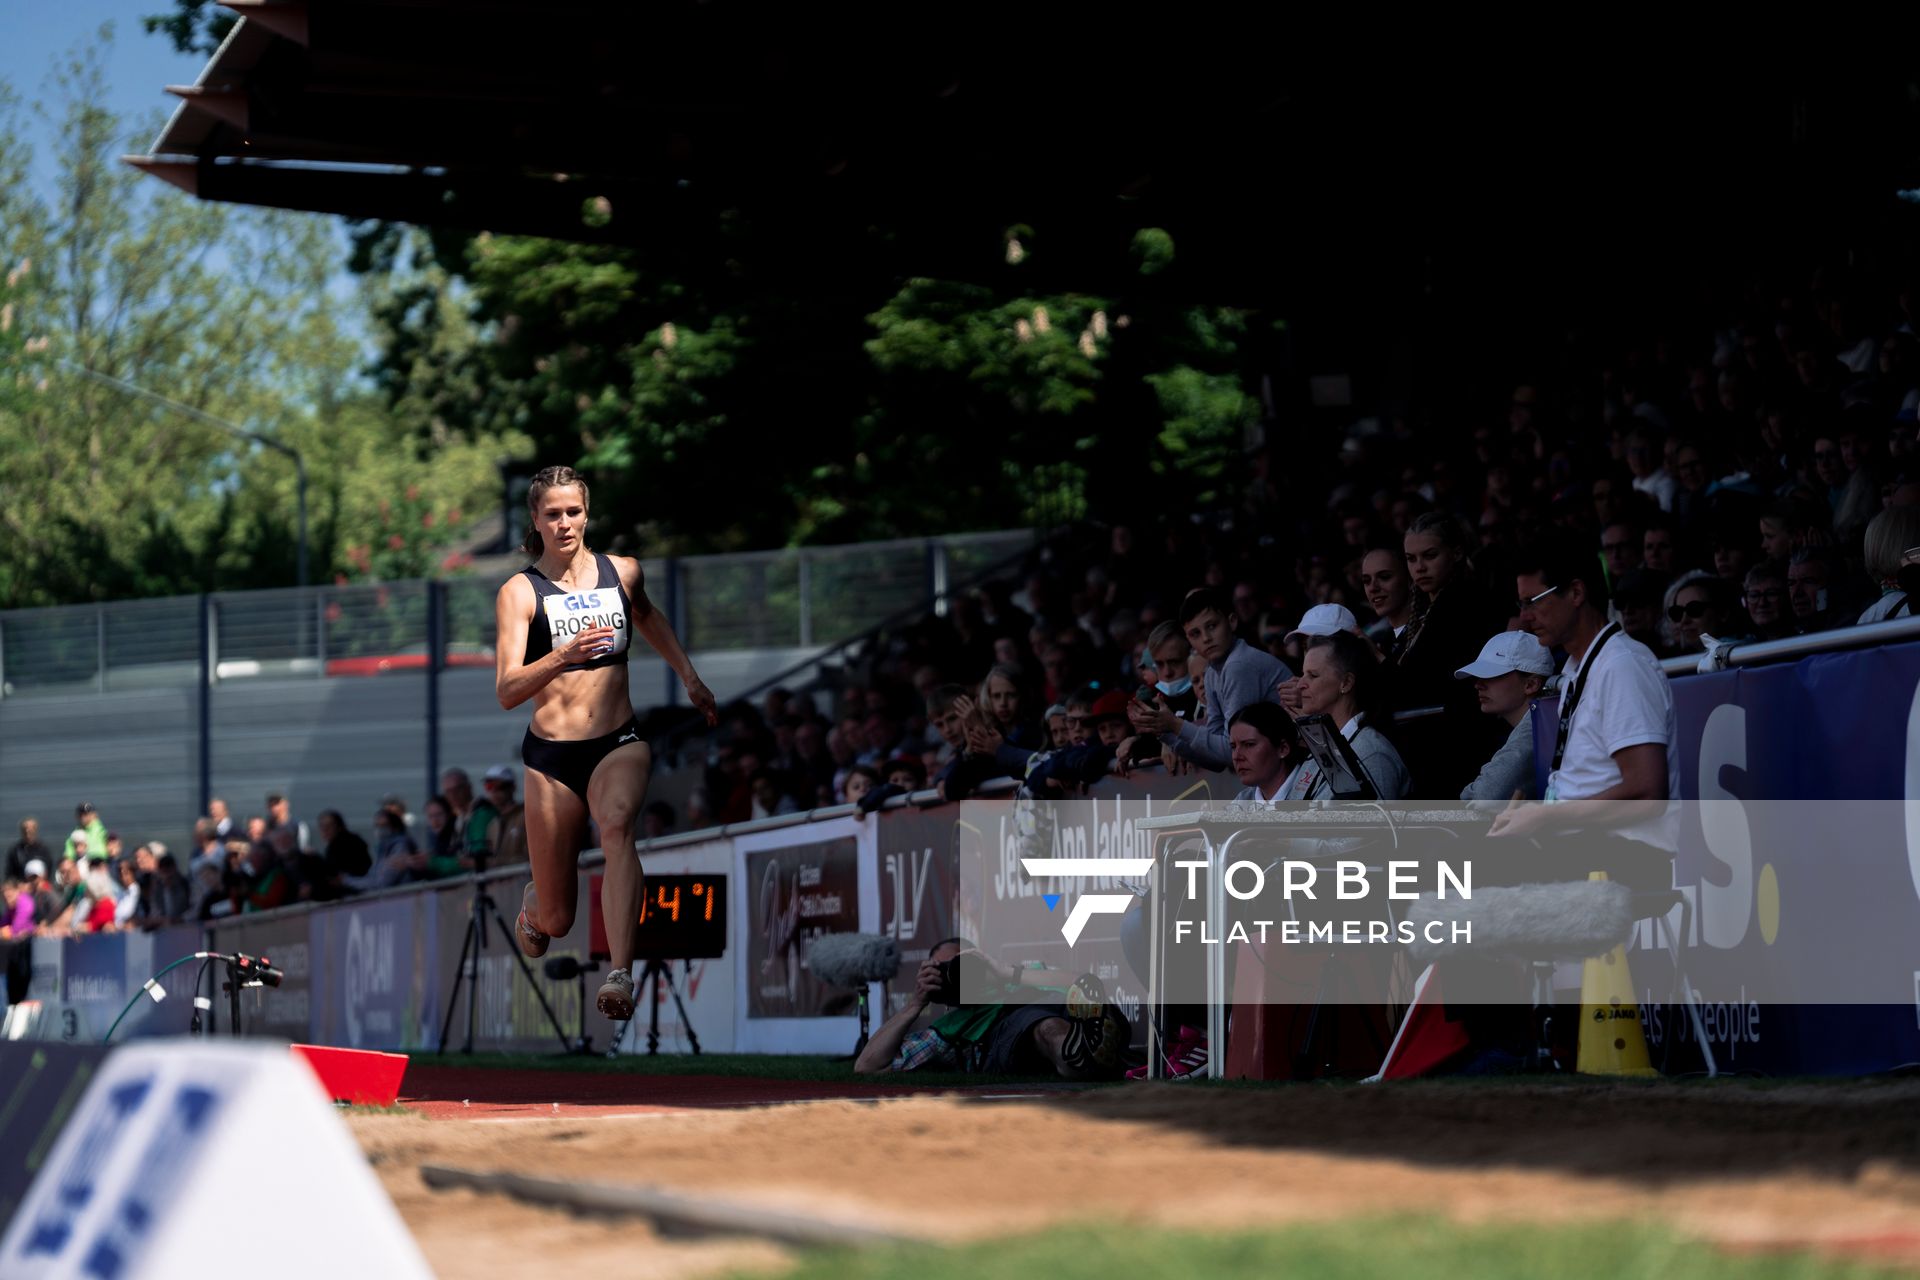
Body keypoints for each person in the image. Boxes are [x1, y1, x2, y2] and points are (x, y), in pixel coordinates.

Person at [495, 464, 717, 1019]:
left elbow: (648, 617)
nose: (565, 523)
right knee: (557, 920)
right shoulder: (521, 593)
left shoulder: (623, 572)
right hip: (551, 757)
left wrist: (689, 676)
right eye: (553, 514)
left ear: (586, 513)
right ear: (536, 521)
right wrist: (562, 656)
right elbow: (506, 690)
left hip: (618, 739)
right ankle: (533, 906)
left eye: (574, 511)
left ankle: (620, 975)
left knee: (618, 825)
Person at [1492, 536, 1678, 890]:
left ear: (1576, 593)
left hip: (1622, 861)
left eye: (1533, 602)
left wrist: (1545, 818)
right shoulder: (1581, 666)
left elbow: (1647, 791)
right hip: (1588, 851)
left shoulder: (1622, 664)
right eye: (1521, 603)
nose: (1525, 617)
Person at [853, 938, 1130, 1079]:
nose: (957, 974)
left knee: (1064, 1008)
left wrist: (1005, 973)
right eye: (945, 970)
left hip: (1059, 1008)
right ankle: (1083, 1058)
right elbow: (866, 1066)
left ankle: (1092, 1044)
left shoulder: (1020, 975)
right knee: (1043, 1026)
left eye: (964, 965)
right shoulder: (950, 1031)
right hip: (1010, 1032)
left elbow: (1080, 984)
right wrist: (916, 1003)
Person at [1123, 586, 1288, 772]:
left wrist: (1175, 724)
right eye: (1195, 634)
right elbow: (1216, 759)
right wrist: (1163, 731)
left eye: (1212, 626)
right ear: (1189, 640)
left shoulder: (1239, 665)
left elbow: (1233, 752)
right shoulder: (1211, 672)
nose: (1206, 638)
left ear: (1232, 622)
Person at [1281, 631, 1411, 801]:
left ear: (1346, 683)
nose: (1300, 684)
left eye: (1313, 675)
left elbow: (1375, 826)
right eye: (1303, 674)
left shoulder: (1372, 754)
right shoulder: (1321, 747)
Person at [1455, 631, 1554, 806]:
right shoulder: (1539, 719)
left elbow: (1484, 797)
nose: (1478, 684)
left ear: (1531, 684)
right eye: (1478, 676)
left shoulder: (1538, 726)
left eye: (1492, 675)